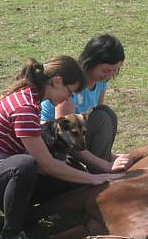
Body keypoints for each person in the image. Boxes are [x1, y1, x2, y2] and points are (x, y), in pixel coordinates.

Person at [0, 56, 125, 239]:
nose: (67, 99)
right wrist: (93, 178)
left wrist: (87, 176)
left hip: (2, 176)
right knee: (26, 165)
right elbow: (46, 163)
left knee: (70, 181)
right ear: (56, 82)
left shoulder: (31, 98)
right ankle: (11, 238)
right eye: (69, 92)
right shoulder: (25, 107)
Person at [40, 34, 132, 173]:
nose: (109, 75)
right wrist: (104, 165)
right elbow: (66, 134)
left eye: (114, 71)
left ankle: (104, 158)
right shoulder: (71, 85)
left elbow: (93, 116)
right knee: (102, 118)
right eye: (106, 70)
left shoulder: (100, 82)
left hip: (77, 137)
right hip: (54, 140)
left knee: (106, 113)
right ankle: (100, 170)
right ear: (91, 62)